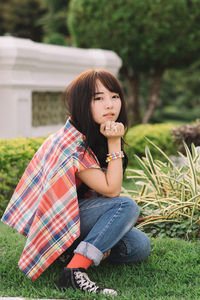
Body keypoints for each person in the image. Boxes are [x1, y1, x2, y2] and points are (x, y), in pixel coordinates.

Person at [1, 69, 150, 296]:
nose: (109, 105)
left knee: (139, 247)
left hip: (74, 215)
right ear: (82, 102)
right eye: (98, 98)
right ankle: (75, 270)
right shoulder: (71, 145)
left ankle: (68, 251)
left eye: (115, 96)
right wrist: (114, 142)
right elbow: (112, 190)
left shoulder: (87, 133)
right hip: (56, 220)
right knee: (124, 206)